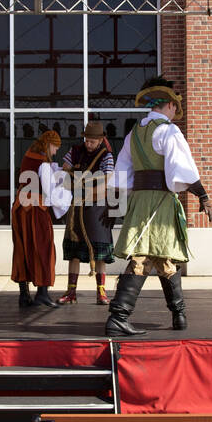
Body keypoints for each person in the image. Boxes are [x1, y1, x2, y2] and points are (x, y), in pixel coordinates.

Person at [106, 77, 212, 336]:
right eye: (176, 106)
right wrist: (202, 195)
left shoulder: (134, 133)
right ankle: (118, 316)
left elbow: (121, 177)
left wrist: (118, 204)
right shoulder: (168, 131)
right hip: (161, 200)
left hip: (140, 199)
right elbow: (182, 170)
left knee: (164, 255)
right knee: (143, 254)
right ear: (168, 104)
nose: (176, 112)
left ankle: (179, 315)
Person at [11, 129, 72, 308]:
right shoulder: (43, 164)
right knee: (43, 248)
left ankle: (24, 295)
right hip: (36, 210)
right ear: (48, 145)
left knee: (23, 248)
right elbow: (49, 191)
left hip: (20, 209)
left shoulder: (29, 157)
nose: (55, 152)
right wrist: (66, 195)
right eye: (55, 148)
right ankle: (42, 294)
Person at [58, 120, 116, 305]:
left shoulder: (107, 156)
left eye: (92, 141)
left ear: (100, 140)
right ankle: (70, 292)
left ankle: (101, 292)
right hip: (76, 208)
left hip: (97, 209)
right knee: (74, 250)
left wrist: (81, 186)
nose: (88, 144)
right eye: (87, 140)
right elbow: (65, 170)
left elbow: (105, 183)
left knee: (99, 251)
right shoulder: (74, 151)